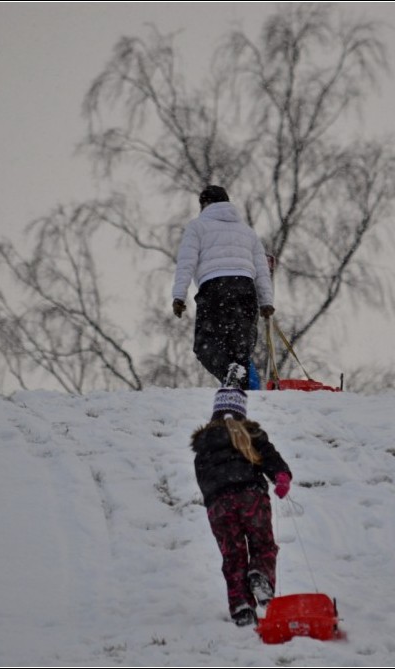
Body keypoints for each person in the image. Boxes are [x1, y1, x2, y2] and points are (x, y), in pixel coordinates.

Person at [190, 386, 292, 627]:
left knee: (232, 555)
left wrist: (214, 502)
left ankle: (241, 607)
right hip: (251, 497)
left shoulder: (203, 446)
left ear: (215, 414)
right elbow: (271, 457)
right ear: (241, 413)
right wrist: (281, 477)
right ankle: (261, 576)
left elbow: (202, 479)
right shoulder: (252, 435)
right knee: (262, 544)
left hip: (219, 505)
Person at [172, 185, 275, 389]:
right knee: (240, 351)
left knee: (205, 347)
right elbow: (262, 269)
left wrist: (179, 296)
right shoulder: (248, 232)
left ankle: (230, 375)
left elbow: (186, 262)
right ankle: (242, 395)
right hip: (245, 291)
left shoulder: (197, 227)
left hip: (215, 290)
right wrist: (266, 302)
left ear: (204, 204)